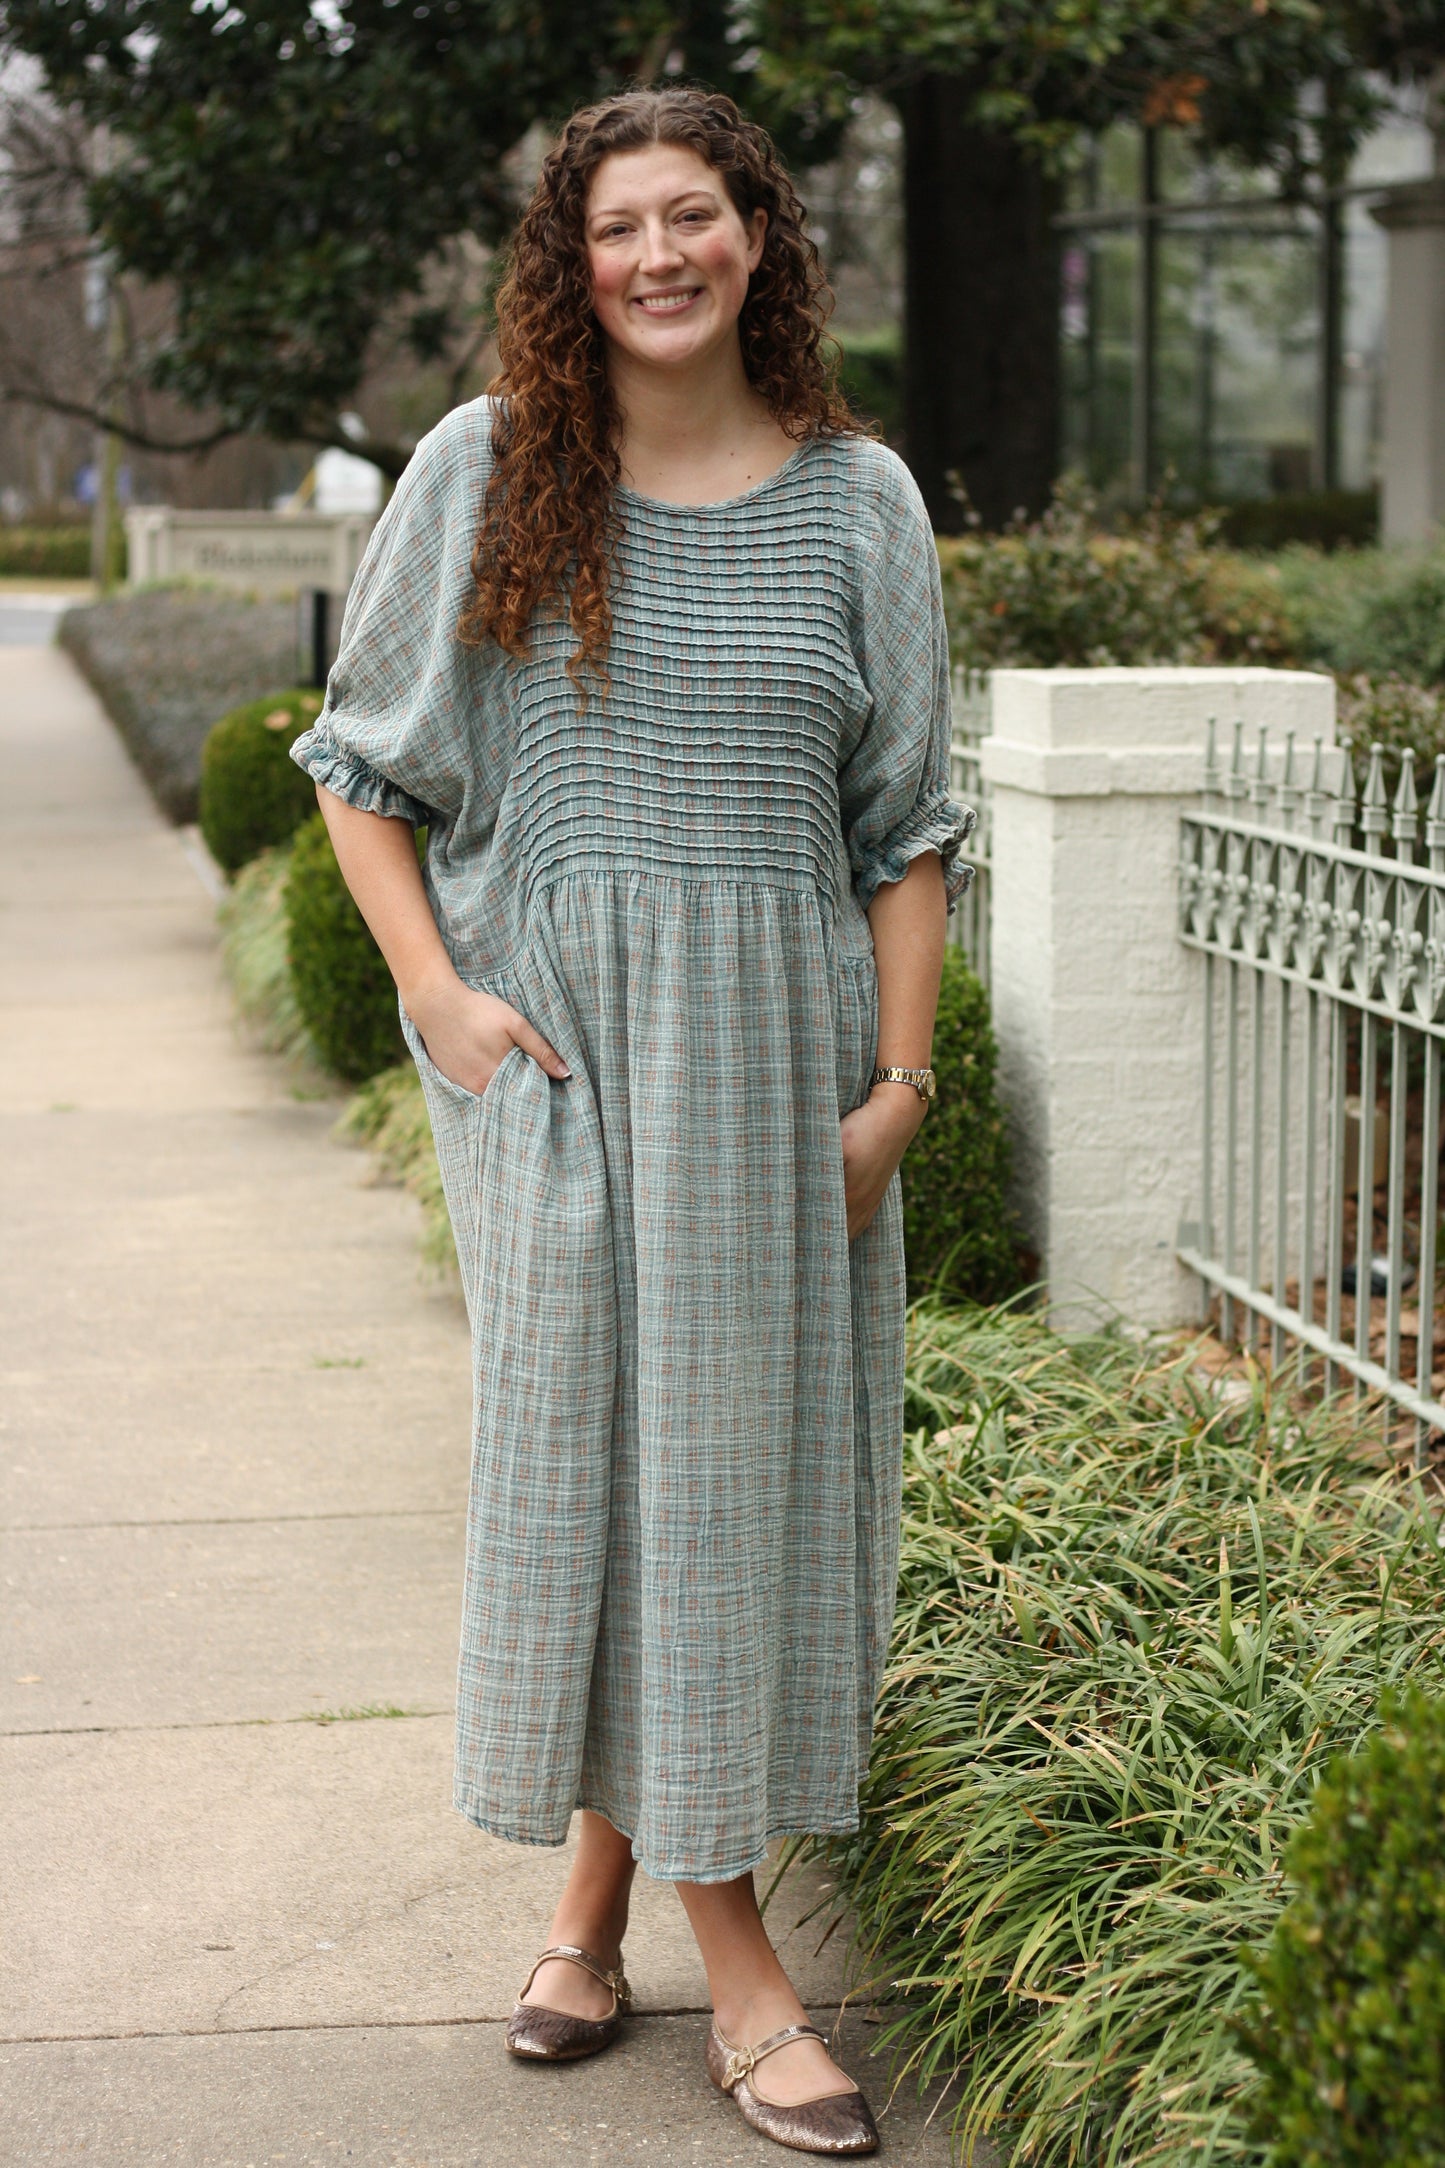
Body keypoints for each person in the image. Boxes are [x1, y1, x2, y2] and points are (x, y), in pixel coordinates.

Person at [290, 83, 973, 2158]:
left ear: (759, 238)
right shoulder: (490, 466)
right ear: (567, 263)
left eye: (696, 216)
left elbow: (911, 829)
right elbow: (361, 765)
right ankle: (746, 1978)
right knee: (628, 1487)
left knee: (715, 1500)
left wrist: (900, 1092)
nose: (657, 256)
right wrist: (439, 999)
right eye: (617, 227)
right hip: (570, 1084)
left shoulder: (863, 504)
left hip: (786, 1102)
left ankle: (586, 1917)